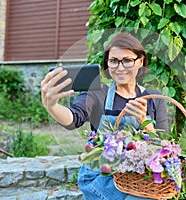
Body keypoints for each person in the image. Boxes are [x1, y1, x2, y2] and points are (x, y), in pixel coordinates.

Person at [41, 32, 168, 200]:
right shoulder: (97, 94)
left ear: (141, 62)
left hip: (138, 178)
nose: (120, 67)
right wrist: (52, 106)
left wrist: (145, 122)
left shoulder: (154, 98)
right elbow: (73, 118)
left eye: (128, 60)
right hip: (101, 176)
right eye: (114, 61)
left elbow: (163, 146)